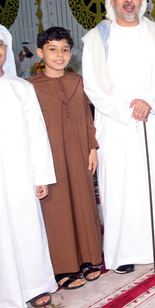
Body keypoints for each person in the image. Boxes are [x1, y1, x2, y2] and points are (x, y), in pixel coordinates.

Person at [82, 0, 155, 274]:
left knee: (154, 180)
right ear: (111, 0)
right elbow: (92, 86)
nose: (129, 1)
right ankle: (122, 253)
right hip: (115, 124)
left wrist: (149, 101)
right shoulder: (96, 37)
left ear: (142, 0)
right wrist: (127, 110)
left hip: (151, 118)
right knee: (119, 186)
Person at [0, 23, 57, 308]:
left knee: (28, 229)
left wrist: (41, 176)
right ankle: (4, 300)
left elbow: (37, 133)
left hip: (22, 173)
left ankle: (35, 286)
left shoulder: (22, 87)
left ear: (6, 49)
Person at [29, 27, 103, 290]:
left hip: (79, 152)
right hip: (50, 157)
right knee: (56, 209)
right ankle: (63, 266)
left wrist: (92, 148)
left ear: (71, 54)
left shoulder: (78, 82)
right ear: (40, 53)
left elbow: (87, 117)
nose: (59, 55)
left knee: (84, 204)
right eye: (52, 49)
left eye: (64, 50)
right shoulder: (30, 87)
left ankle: (88, 258)